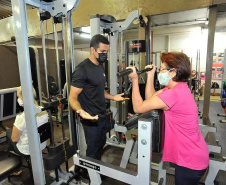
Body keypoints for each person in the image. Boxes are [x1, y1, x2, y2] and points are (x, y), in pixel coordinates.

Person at [128, 52, 209, 185]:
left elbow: (138, 108)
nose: (160, 72)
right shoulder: (178, 88)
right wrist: (150, 75)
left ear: (173, 72)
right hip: (192, 155)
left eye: (162, 69)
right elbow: (151, 99)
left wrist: (135, 80)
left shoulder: (173, 94)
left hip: (190, 160)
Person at [69, 34, 126, 160]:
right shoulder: (82, 70)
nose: (105, 54)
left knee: (100, 146)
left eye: (106, 51)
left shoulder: (100, 66)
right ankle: (91, 176)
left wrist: (113, 97)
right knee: (92, 151)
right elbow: (72, 97)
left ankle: (97, 172)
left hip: (102, 115)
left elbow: (99, 91)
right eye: (102, 51)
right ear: (92, 50)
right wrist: (81, 111)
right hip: (91, 118)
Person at [6, 86, 48, 156]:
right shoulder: (44, 111)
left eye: (18, 97)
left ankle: (13, 157)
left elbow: (14, 139)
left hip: (27, 151)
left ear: (23, 98)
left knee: (9, 132)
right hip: (41, 145)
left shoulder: (21, 118)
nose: (18, 99)